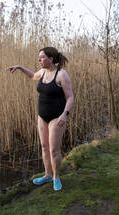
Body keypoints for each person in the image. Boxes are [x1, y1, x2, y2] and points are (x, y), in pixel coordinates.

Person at [7, 47, 74, 191]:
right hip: (42, 116)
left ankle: (56, 177)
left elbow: (70, 97)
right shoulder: (43, 72)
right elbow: (32, 76)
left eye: (42, 57)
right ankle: (47, 175)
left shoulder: (61, 75)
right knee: (44, 147)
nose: (39, 60)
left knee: (54, 150)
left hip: (57, 117)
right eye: (39, 57)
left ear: (51, 59)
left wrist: (64, 114)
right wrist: (19, 67)